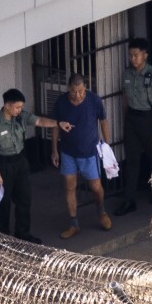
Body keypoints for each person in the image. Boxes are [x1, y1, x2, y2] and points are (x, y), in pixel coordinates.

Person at [0, 88, 72, 244]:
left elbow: (39, 121)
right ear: (7, 105)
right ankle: (2, 238)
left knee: (24, 199)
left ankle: (23, 234)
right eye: (17, 107)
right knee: (3, 203)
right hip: (2, 163)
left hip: (20, 161)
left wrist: (58, 123)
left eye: (21, 107)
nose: (20, 110)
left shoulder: (21, 117)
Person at [51, 73, 112, 239]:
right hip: (68, 152)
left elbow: (103, 121)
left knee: (96, 187)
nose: (77, 95)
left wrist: (107, 145)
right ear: (68, 89)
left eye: (80, 91)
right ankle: (73, 224)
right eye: (73, 91)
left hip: (89, 152)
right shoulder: (61, 102)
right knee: (69, 187)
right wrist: (54, 149)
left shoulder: (94, 100)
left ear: (85, 88)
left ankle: (101, 212)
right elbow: (55, 126)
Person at [114, 38, 152, 216]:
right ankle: (129, 200)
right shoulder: (127, 74)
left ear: (145, 55)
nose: (133, 59)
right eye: (130, 55)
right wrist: (125, 120)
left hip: (149, 119)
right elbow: (124, 99)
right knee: (132, 160)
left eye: (136, 55)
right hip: (132, 119)